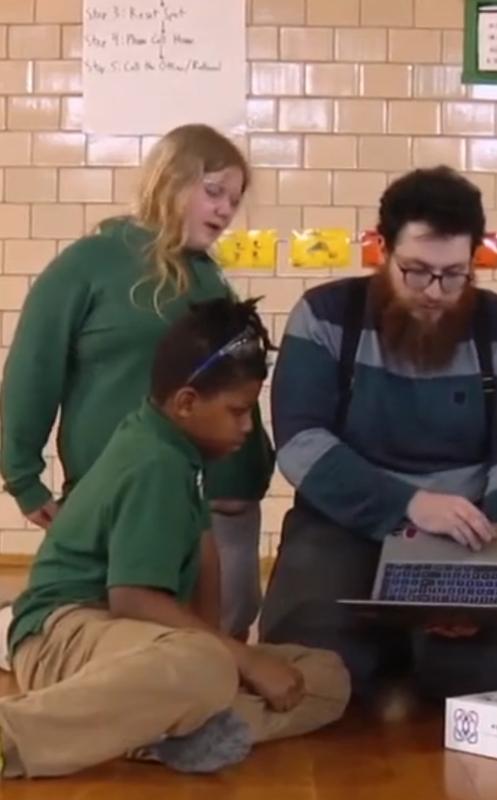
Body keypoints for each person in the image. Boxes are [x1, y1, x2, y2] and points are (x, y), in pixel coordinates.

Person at [0, 297, 350, 780]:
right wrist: (237, 659)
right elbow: (133, 600)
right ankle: (11, 738)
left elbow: (203, 551)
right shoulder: (154, 462)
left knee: (325, 675)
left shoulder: (178, 449)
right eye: (239, 411)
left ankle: (149, 730)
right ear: (186, 402)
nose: (248, 428)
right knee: (207, 666)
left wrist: (229, 654)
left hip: (138, 645)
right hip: (63, 632)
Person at [259, 166, 497, 708]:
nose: (435, 292)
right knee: (311, 668)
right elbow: (300, 444)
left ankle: (405, 644)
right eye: (416, 272)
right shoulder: (324, 316)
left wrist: (484, 573)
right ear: (381, 250)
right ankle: (384, 645)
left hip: (467, 531)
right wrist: (409, 505)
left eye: (454, 274)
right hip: (342, 520)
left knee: (477, 678)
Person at [0, 124, 274, 642]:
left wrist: (247, 479)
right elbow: (33, 369)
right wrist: (22, 474)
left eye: (233, 201)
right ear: (169, 180)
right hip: (116, 490)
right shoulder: (90, 264)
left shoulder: (211, 279)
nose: (224, 210)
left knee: (218, 645)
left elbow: (236, 393)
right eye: (212, 191)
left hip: (214, 505)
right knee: (121, 636)